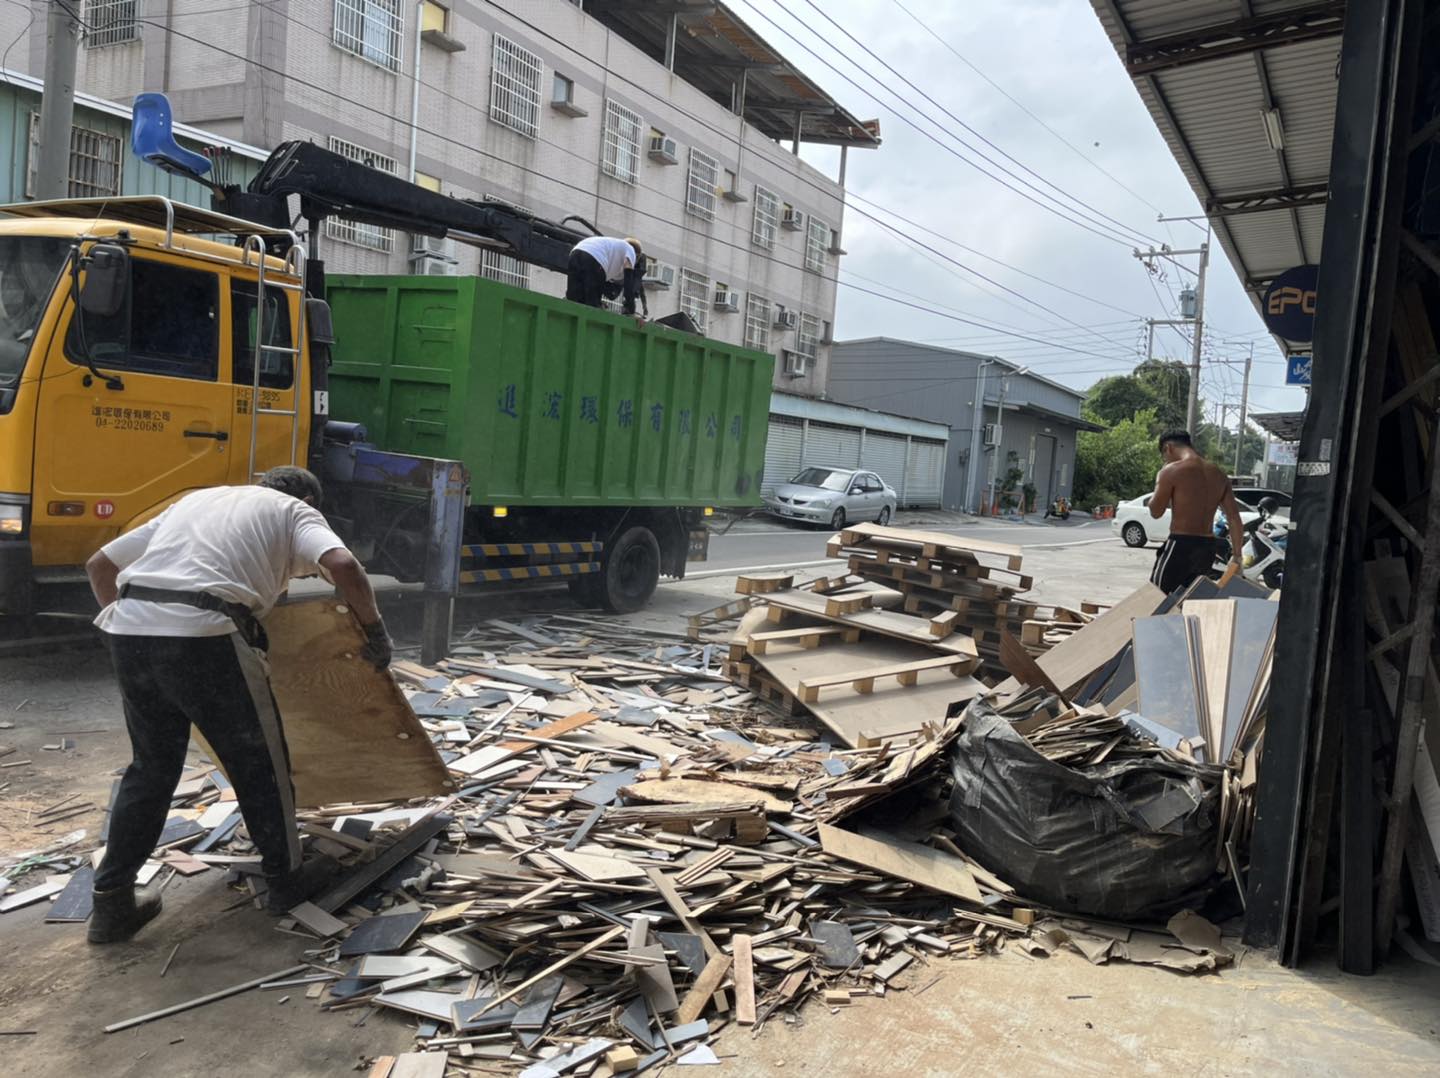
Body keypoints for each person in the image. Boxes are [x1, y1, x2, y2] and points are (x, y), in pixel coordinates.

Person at [82, 466, 392, 944]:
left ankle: (111, 905)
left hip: (130, 629)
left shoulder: (196, 500)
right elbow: (344, 566)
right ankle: (286, 881)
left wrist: (125, 629)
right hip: (205, 634)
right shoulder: (294, 512)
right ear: (311, 501)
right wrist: (374, 630)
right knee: (260, 765)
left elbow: (99, 565)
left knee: (151, 770)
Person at [1148, 430, 1245, 594]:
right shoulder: (1219, 474)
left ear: (1168, 448)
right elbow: (1234, 517)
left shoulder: (1171, 471)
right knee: (1191, 600)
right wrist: (1237, 557)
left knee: (1156, 596)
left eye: (1164, 456)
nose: (1165, 460)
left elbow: (1156, 511)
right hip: (1207, 548)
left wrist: (1160, 481)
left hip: (1181, 544)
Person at [566, 235, 647, 315]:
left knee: (574, 298)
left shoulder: (612, 248)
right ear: (637, 256)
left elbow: (602, 286)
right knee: (592, 306)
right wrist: (631, 310)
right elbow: (628, 283)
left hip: (575, 252)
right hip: (595, 258)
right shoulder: (630, 250)